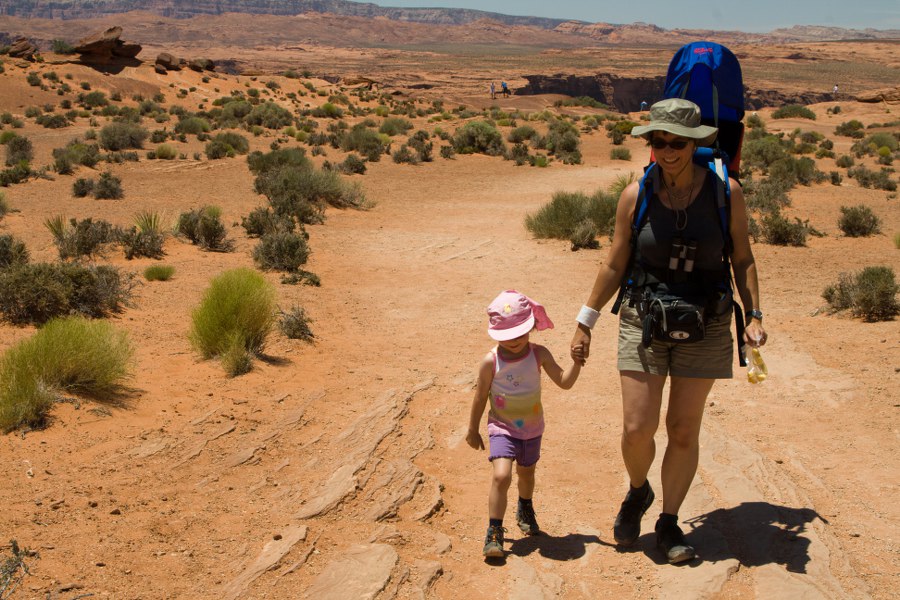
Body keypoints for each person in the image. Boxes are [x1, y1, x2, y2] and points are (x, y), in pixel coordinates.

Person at [570, 98, 767, 564]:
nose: (668, 151)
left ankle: (669, 521)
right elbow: (614, 262)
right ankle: (639, 490)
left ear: (695, 144)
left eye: (677, 143)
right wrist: (585, 321)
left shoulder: (726, 193)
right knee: (636, 429)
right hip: (643, 318)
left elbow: (742, 258)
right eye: (659, 142)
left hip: (708, 320)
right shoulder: (635, 194)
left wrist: (755, 315)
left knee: (682, 428)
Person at [467, 290, 583, 558]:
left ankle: (525, 506)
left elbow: (564, 382)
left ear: (530, 327)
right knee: (501, 475)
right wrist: (472, 429)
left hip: (532, 429)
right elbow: (480, 396)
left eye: (519, 333)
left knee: (527, 474)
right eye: (507, 335)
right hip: (502, 428)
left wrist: (576, 363)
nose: (514, 340)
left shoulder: (539, 354)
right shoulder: (491, 361)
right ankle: (494, 532)